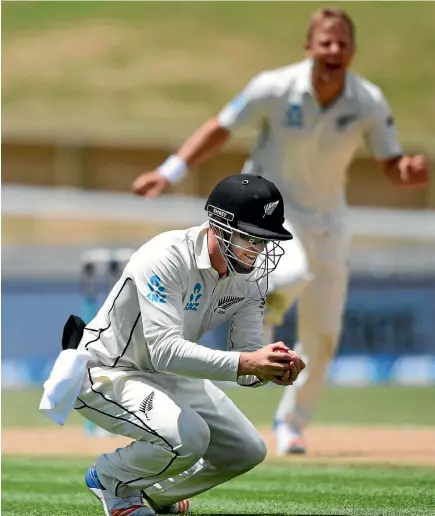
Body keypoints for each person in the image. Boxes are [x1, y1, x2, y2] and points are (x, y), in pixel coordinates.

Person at [131, 7, 430, 455]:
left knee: (325, 335)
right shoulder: (275, 86)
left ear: (352, 50)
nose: (334, 50)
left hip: (330, 222)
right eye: (325, 42)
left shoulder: (367, 99)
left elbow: (391, 164)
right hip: (270, 214)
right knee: (291, 272)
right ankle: (260, 305)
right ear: (308, 47)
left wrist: (407, 172)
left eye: (342, 43)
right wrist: (169, 171)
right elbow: (221, 127)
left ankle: (291, 424)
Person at [41, 174, 305, 516]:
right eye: (249, 238)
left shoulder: (253, 277)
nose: (257, 251)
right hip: (108, 370)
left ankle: (156, 493)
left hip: (170, 373)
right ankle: (110, 479)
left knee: (247, 450)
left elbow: (246, 364)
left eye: (264, 241)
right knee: (191, 438)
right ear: (219, 226)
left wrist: (272, 368)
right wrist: (249, 364)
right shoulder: (165, 256)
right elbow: (165, 350)